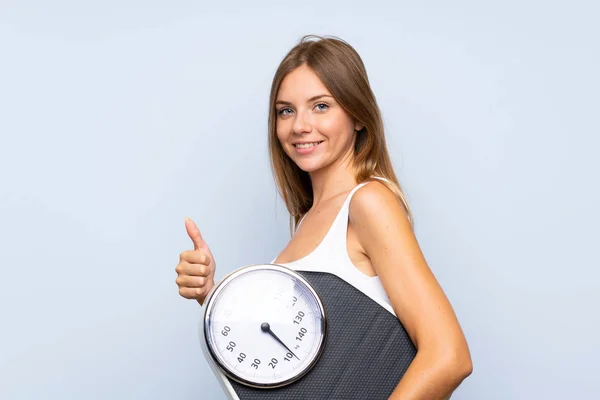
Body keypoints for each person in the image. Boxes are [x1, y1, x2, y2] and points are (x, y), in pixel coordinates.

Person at [175, 35, 473, 399]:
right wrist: (211, 295)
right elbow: (296, 359)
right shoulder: (308, 220)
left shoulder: (368, 203)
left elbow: (449, 355)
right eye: (286, 110)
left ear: (358, 115)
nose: (299, 125)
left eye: (320, 106)